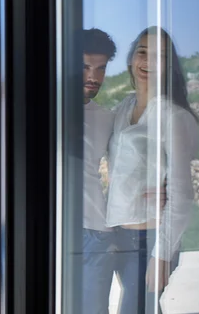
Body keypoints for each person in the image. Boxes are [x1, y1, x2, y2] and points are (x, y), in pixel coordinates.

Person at [105, 26, 199, 313]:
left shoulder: (173, 116)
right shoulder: (123, 107)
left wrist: (161, 256)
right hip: (118, 235)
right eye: (142, 51)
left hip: (150, 240)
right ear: (132, 58)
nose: (147, 61)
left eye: (158, 55)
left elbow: (182, 195)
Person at [79, 28, 117, 314]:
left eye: (101, 68)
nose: (94, 77)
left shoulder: (106, 118)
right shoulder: (38, 106)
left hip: (95, 234)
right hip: (48, 230)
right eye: (84, 67)